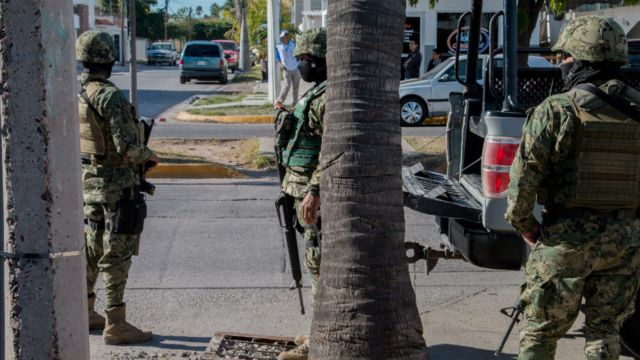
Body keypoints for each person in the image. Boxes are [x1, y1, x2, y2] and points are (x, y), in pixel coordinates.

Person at [505, 16, 640, 360]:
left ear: (579, 59)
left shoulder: (558, 110)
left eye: (565, 57)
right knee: (605, 331)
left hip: (565, 241)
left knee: (539, 332)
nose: (562, 64)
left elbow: (524, 179)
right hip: (624, 241)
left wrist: (526, 227)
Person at [76, 30, 159, 345]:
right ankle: (116, 323)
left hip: (90, 184)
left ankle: (86, 311)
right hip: (117, 188)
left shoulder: (78, 91)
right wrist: (149, 156)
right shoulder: (108, 95)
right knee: (117, 254)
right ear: (109, 59)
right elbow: (127, 147)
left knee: (92, 248)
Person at [274, 28, 327, 360]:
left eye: (307, 59)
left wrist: (314, 192)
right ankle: (316, 331)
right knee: (312, 264)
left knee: (317, 264)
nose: (302, 65)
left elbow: (330, 151)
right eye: (301, 59)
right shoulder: (316, 93)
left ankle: (318, 340)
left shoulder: (326, 97)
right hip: (297, 189)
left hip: (311, 196)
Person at [275, 29, 302, 109]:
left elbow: (298, 53)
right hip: (286, 68)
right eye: (284, 36)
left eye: (287, 36)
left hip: (295, 67)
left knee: (296, 87)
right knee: (286, 85)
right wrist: (280, 65)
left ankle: (295, 103)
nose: (286, 37)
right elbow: (277, 58)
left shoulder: (293, 44)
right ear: (282, 37)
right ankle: (279, 101)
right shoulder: (278, 46)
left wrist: (299, 61)